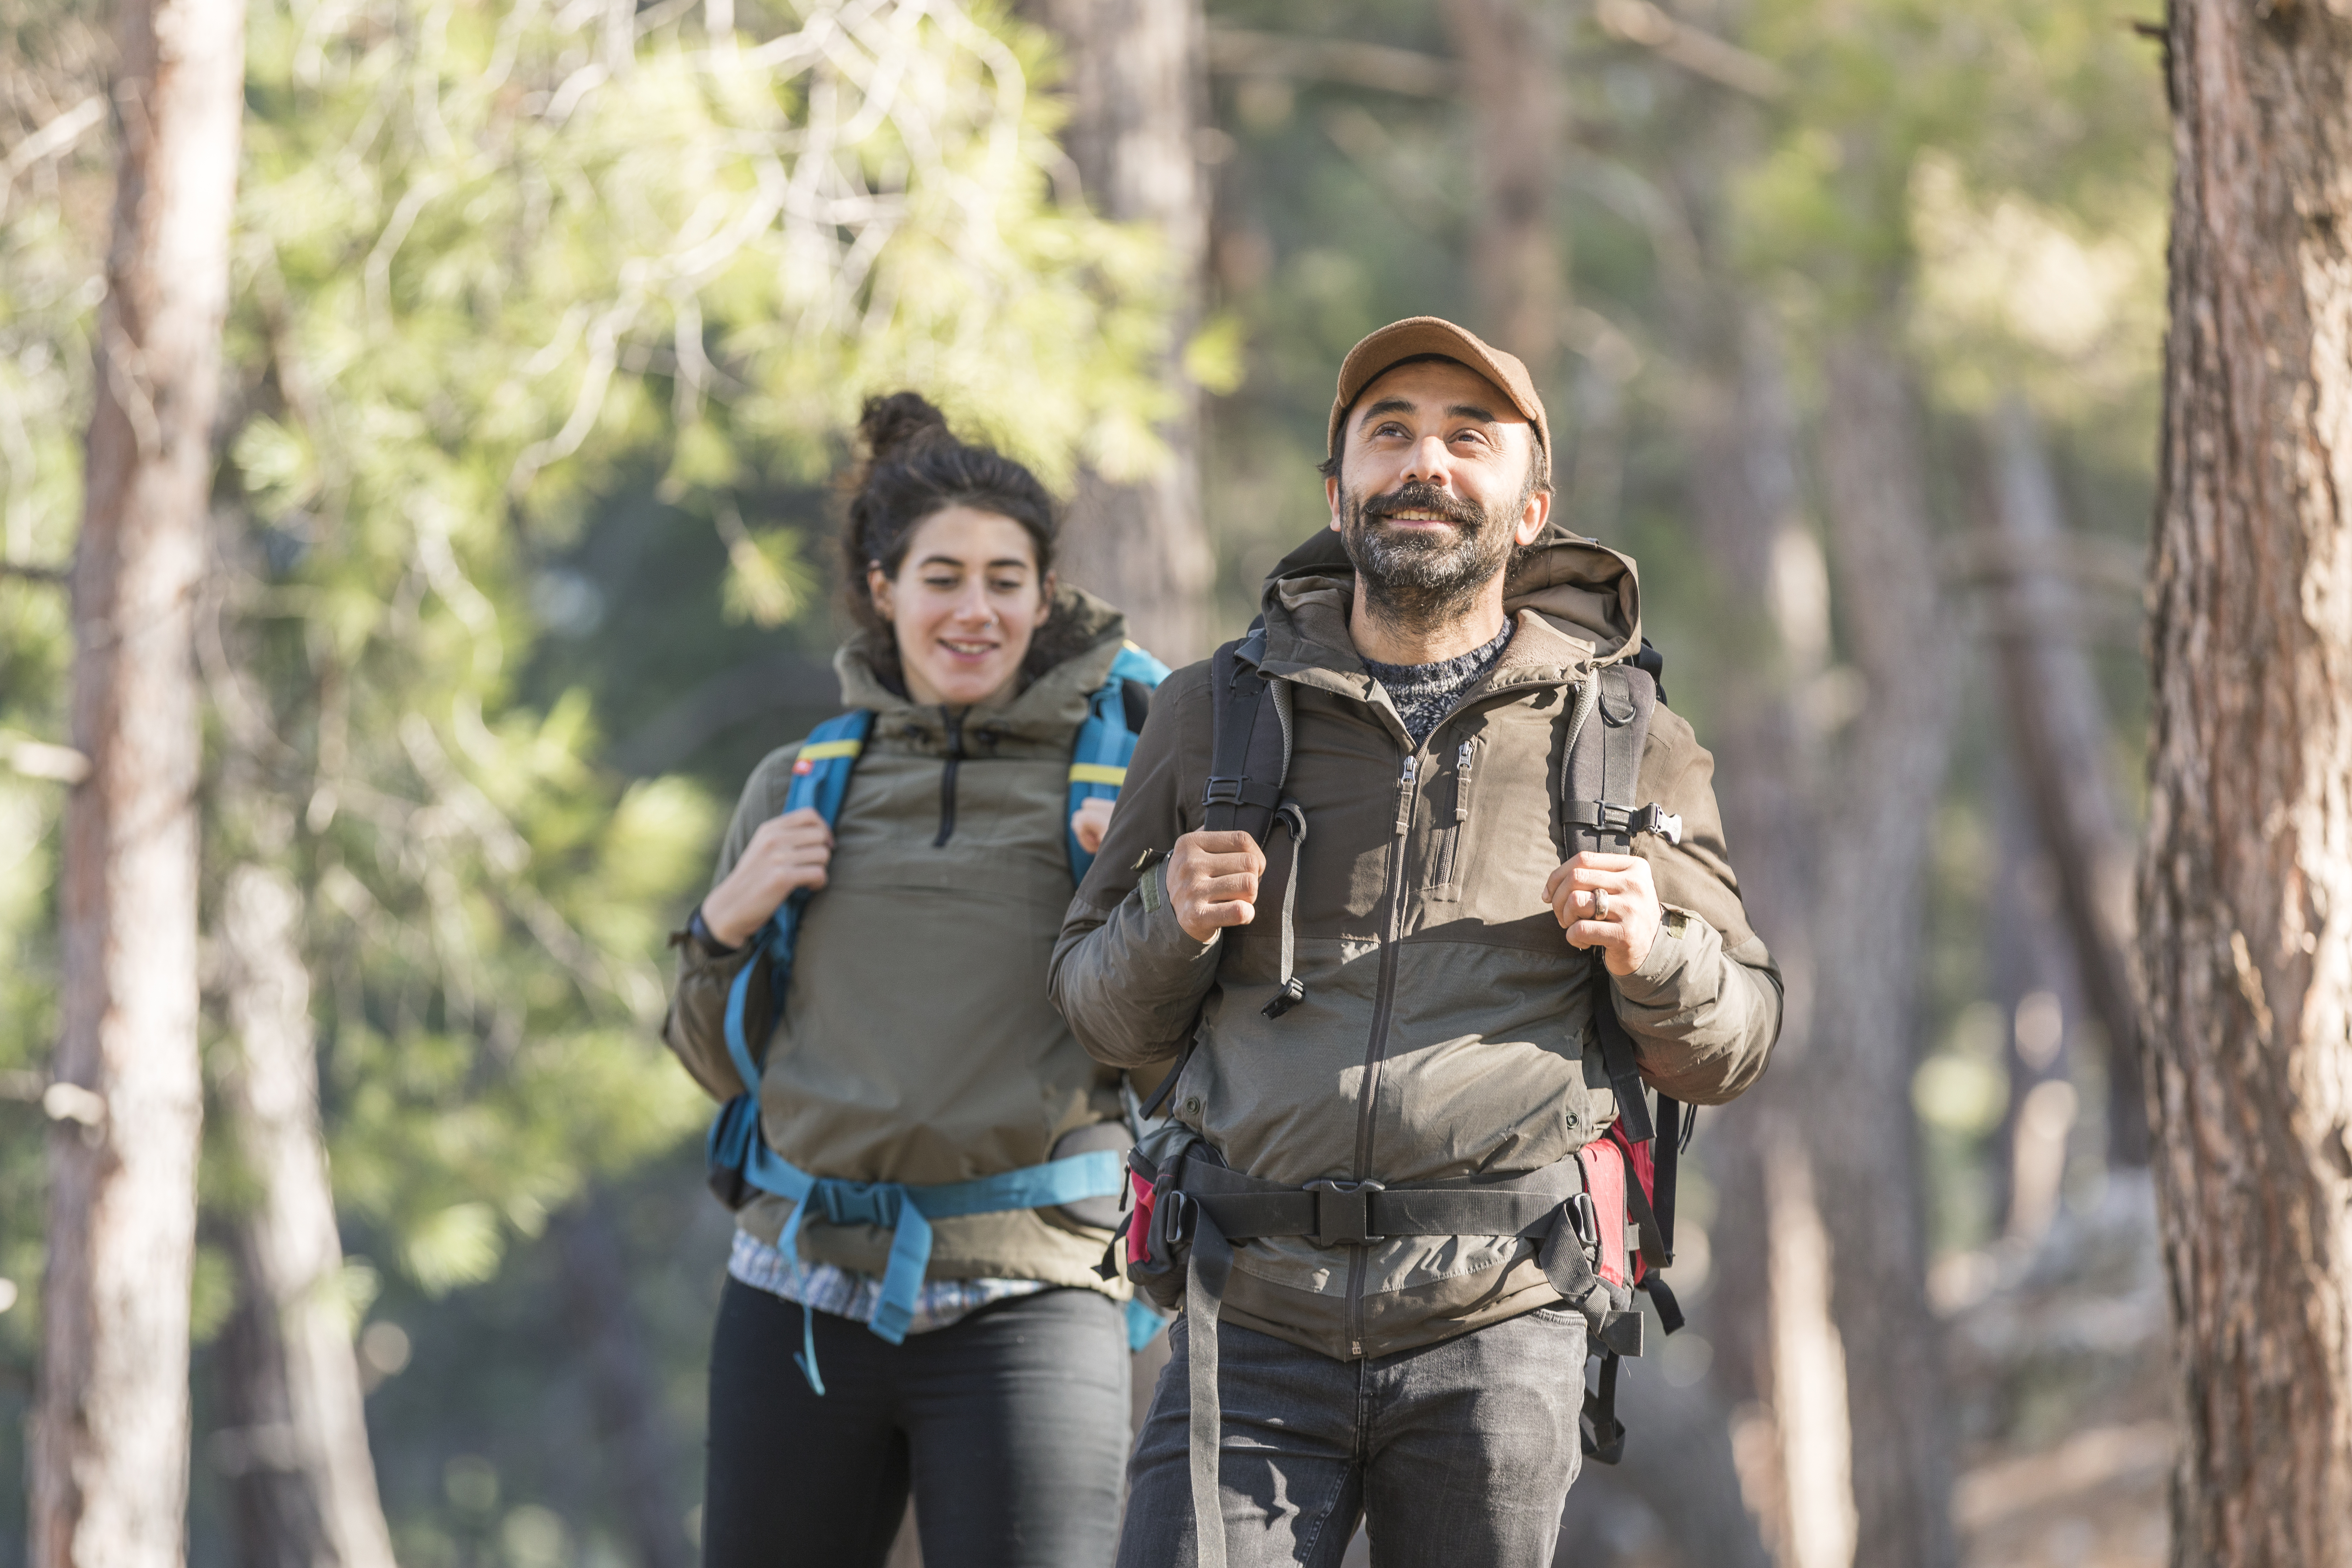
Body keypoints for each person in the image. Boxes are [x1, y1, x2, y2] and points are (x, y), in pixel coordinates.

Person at [1051, 317, 1784, 1567]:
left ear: (1531, 503)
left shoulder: (1625, 735)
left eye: (1468, 439)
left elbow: (1738, 1041)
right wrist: (1168, 919)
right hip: (1251, 1313)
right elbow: (1098, 1013)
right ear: (1337, 494)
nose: (1425, 464)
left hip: (1500, 1325)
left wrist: (1654, 949)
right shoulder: (1211, 712)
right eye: (1389, 435)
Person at [664, 393, 1149, 1568]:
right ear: (884, 589)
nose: (974, 611)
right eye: (943, 577)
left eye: (1005, 579)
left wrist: (1133, 899)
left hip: (1033, 1297)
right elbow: (713, 1058)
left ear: (1046, 596)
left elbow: (1189, 1050)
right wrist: (723, 923)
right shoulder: (800, 783)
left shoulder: (1130, 780)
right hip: (795, 1297)